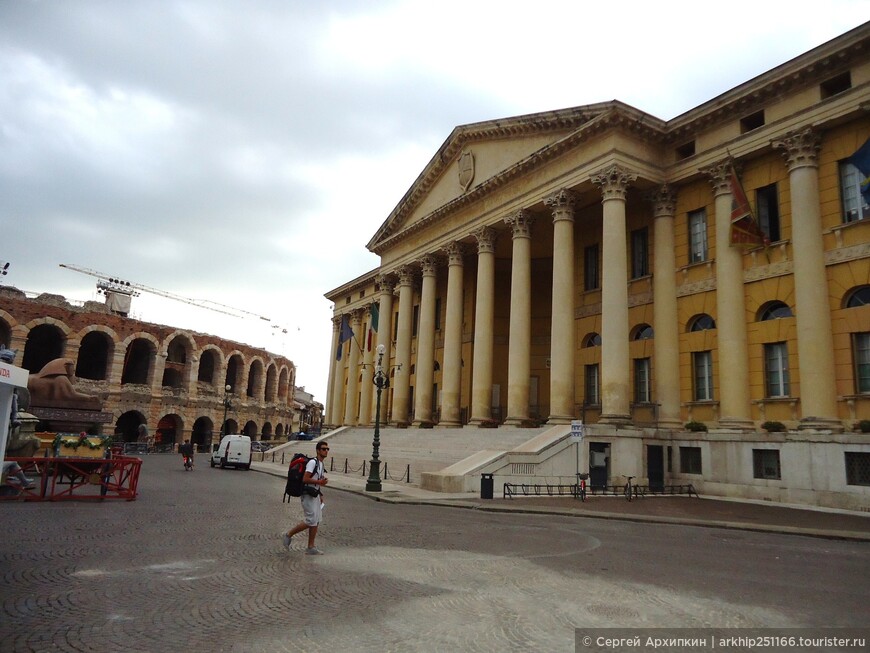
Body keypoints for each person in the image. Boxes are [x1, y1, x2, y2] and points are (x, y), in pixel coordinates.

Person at [282, 441, 329, 555]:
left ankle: (310, 547)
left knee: (316, 520)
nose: (326, 451)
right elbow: (305, 479)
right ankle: (288, 534)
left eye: (327, 449)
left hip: (315, 494)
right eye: (323, 449)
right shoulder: (313, 463)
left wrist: (320, 493)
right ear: (318, 450)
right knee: (310, 520)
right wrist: (320, 482)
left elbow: (317, 481)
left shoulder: (321, 464)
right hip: (307, 494)